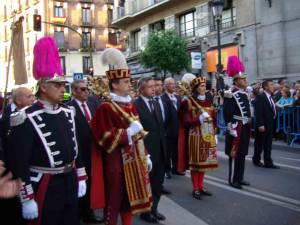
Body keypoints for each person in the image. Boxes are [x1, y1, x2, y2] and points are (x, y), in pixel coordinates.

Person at [6, 37, 87, 225]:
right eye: (57, 85)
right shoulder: (25, 117)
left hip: (69, 180)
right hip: (44, 183)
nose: (62, 89)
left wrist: (81, 176)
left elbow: (77, 148)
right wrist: (27, 198)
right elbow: (19, 162)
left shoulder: (69, 112)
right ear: (43, 87)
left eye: (63, 85)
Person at [90, 48, 152, 225]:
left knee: (129, 198)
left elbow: (138, 134)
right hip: (116, 161)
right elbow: (103, 135)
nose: (129, 84)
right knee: (114, 199)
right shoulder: (105, 107)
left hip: (135, 158)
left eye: (129, 81)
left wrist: (146, 154)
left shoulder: (130, 106)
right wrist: (128, 133)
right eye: (125, 82)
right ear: (114, 84)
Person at [67, 80, 102, 223]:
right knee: (80, 184)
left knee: (92, 183)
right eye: (82, 89)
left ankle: (89, 213)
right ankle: (78, 214)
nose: (86, 91)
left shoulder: (93, 105)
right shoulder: (68, 107)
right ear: (74, 91)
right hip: (79, 153)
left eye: (87, 89)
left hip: (94, 151)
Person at [177, 76, 218, 200]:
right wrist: (198, 119)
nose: (204, 88)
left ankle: (201, 186)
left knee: (204, 163)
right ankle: (195, 188)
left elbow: (214, 119)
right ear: (195, 88)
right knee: (196, 164)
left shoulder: (208, 101)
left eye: (205, 86)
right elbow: (184, 121)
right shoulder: (187, 102)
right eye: (201, 86)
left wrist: (215, 133)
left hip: (208, 135)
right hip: (195, 136)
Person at [135, 77, 167, 223]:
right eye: (150, 87)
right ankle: (146, 212)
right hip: (147, 151)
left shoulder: (155, 102)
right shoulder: (136, 105)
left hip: (161, 149)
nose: (154, 89)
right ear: (142, 89)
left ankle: (154, 209)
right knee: (147, 183)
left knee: (158, 183)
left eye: (155, 86)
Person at [223, 56, 251, 189]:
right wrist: (230, 127)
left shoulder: (244, 93)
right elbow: (227, 113)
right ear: (236, 81)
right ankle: (233, 179)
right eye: (243, 79)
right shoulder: (230, 93)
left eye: (245, 79)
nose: (246, 81)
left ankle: (240, 177)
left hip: (245, 126)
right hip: (236, 127)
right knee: (234, 153)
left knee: (243, 153)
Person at [253, 80, 280, 169]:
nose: (273, 86)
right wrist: (260, 124)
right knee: (259, 144)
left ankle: (268, 162)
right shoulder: (260, 96)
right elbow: (258, 111)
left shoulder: (270, 97)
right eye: (271, 85)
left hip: (270, 124)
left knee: (268, 144)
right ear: (265, 87)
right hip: (263, 125)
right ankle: (256, 160)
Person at [161, 77, 183, 176]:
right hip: (167, 129)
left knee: (176, 150)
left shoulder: (178, 98)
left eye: (174, 83)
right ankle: (167, 170)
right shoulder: (162, 98)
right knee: (167, 151)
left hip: (177, 128)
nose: (173, 86)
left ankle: (176, 168)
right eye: (170, 84)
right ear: (165, 86)